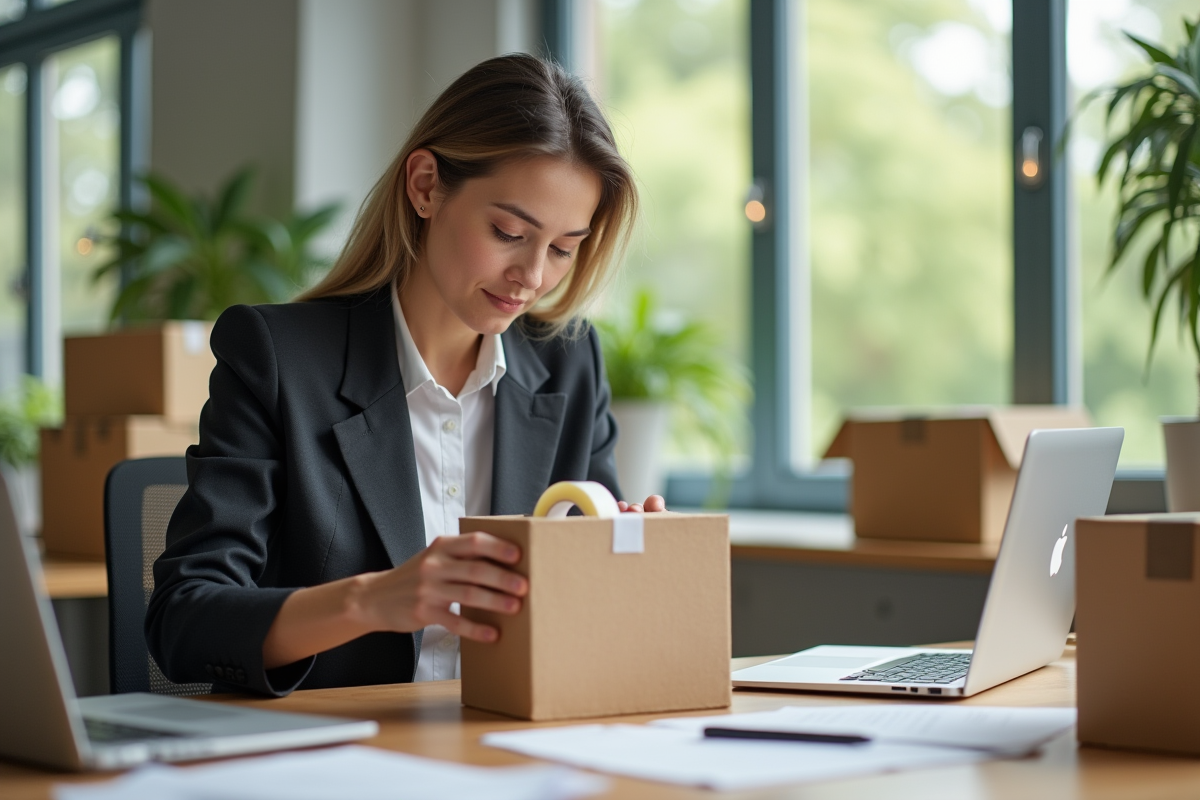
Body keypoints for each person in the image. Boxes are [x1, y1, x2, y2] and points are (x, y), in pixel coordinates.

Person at [145, 54, 663, 697]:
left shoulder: (569, 363)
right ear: (425, 186)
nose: (532, 275)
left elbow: (591, 624)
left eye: (562, 248)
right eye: (508, 232)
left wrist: (629, 561)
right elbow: (183, 621)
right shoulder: (277, 357)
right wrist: (372, 601)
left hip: (504, 753)